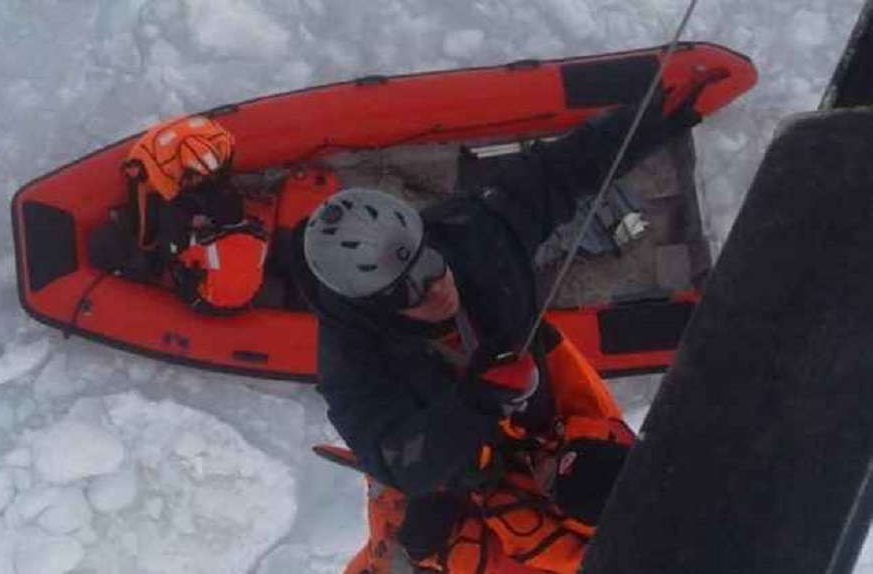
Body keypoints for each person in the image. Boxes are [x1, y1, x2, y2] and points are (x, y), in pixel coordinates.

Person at [296, 71, 726, 573]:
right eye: (409, 289)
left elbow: (558, 173)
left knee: (625, 504)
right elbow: (395, 458)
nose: (438, 285)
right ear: (374, 305)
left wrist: (653, 120)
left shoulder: (475, 236)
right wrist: (474, 404)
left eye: (430, 261)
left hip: (549, 411)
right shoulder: (350, 365)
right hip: (462, 473)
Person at [120, 114, 268, 313]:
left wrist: (188, 231)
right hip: (246, 298)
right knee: (148, 225)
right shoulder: (260, 238)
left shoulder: (223, 142)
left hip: (206, 301)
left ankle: (149, 265)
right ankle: (145, 245)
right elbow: (174, 199)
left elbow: (183, 253)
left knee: (173, 239)